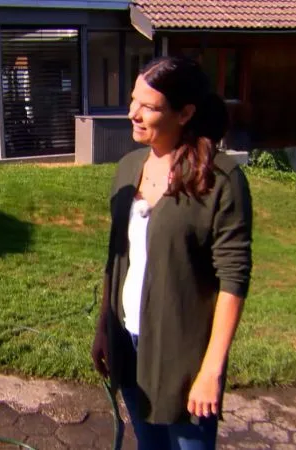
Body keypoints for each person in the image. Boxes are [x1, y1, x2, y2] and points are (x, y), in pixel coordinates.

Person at [91, 56, 253, 450]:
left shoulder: (219, 180)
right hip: (128, 343)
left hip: (184, 357)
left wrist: (211, 370)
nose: (133, 113)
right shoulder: (129, 167)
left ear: (185, 113)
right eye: (133, 100)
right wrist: (103, 326)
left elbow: (233, 279)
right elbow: (117, 254)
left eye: (148, 106)